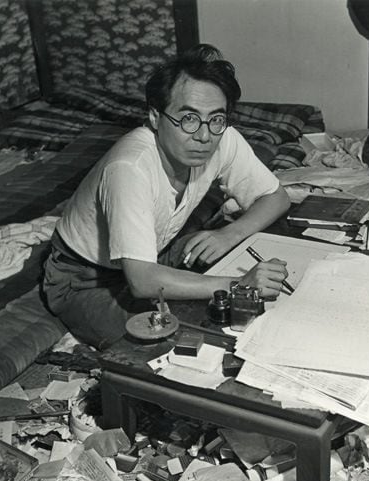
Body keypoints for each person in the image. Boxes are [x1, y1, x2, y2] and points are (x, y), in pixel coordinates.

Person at [42, 44, 291, 349]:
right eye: (188, 118)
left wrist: (230, 234)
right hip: (87, 280)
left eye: (216, 118)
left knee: (245, 305)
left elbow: (276, 197)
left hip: (159, 254)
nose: (203, 136)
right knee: (177, 346)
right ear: (155, 117)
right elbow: (143, 281)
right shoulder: (129, 168)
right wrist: (239, 285)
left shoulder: (221, 137)